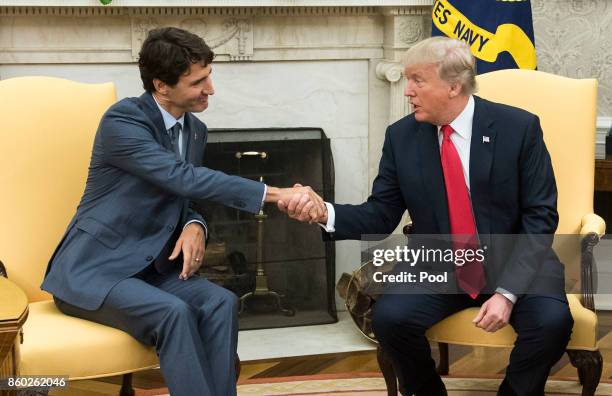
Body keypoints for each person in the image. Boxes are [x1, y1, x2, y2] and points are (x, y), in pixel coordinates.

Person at [279, 36, 573, 396]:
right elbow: (380, 214)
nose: (408, 92)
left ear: (454, 85)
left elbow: (539, 216)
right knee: (390, 319)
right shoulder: (402, 137)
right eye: (407, 80)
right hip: (439, 264)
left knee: (552, 323)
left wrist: (508, 293)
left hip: (517, 261)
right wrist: (325, 212)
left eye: (417, 80)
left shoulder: (518, 128)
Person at [41, 27, 324, 396]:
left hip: (151, 270)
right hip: (95, 271)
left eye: (209, 76)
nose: (211, 89)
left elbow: (187, 197)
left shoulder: (195, 130)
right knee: (172, 312)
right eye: (198, 81)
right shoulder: (123, 121)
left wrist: (195, 225)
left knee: (220, 301)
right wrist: (277, 193)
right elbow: (182, 177)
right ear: (161, 85)